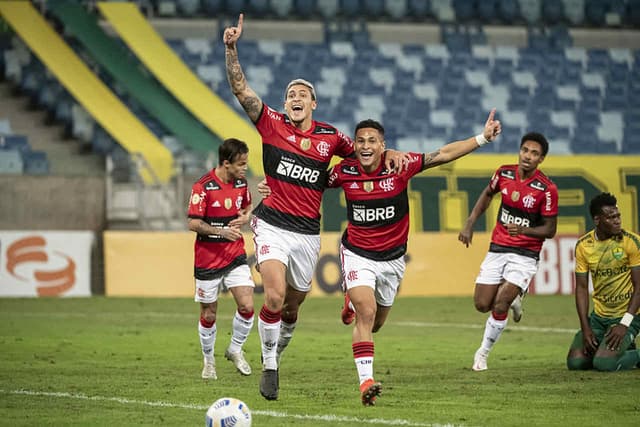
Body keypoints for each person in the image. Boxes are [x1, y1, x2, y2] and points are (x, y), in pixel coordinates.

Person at [223, 14, 409, 400]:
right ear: (284, 102)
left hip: (307, 232)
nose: (295, 98)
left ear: (314, 103)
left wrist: (388, 151)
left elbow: (363, 153)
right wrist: (231, 49)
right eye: (290, 93)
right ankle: (271, 365)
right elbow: (241, 90)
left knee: (291, 308)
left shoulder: (331, 137)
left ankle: (276, 345)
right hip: (271, 223)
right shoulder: (270, 123)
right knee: (272, 297)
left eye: (302, 94)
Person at [330, 111, 501, 405]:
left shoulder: (401, 165)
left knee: (376, 323)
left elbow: (443, 154)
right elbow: (306, 183)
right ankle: (366, 382)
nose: (366, 145)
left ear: (383, 145)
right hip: (357, 253)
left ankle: (351, 304)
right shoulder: (343, 171)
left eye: (373, 140)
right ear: (354, 145)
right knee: (366, 313)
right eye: (360, 141)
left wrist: (482, 138)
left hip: (393, 260)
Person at [458, 132, 558, 371]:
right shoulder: (503, 173)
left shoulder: (546, 189)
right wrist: (470, 223)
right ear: (520, 151)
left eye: (534, 153)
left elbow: (550, 229)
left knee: (499, 304)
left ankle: (482, 355)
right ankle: (516, 297)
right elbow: (487, 194)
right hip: (498, 247)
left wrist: (525, 229)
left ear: (541, 159)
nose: (528, 156)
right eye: (525, 150)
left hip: (525, 254)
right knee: (482, 305)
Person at [187, 138, 255, 380]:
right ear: (226, 163)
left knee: (247, 306)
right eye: (241, 164)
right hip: (208, 258)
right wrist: (221, 231)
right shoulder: (203, 187)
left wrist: (245, 218)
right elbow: (193, 222)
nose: (245, 168)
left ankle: (235, 349)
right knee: (209, 315)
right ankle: (208, 361)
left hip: (235, 253)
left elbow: (247, 207)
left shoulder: (242, 183)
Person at [566, 192, 640, 371]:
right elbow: (582, 288)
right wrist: (586, 328)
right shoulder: (584, 245)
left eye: (618, 216)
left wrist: (624, 324)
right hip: (599, 318)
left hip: (627, 316)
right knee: (576, 363)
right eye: (611, 217)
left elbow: (639, 287)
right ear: (598, 220)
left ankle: (627, 351)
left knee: (604, 363)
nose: (617, 221)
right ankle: (621, 349)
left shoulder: (631, 242)